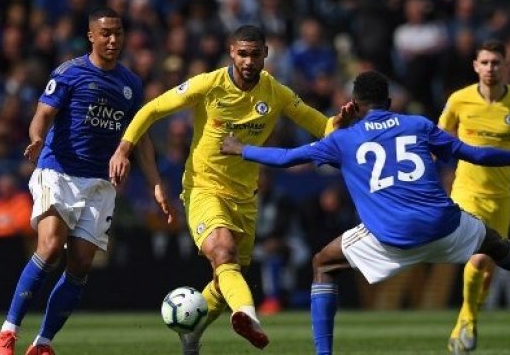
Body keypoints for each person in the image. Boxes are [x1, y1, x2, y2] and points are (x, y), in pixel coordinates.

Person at [220, 70, 510, 355]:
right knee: (492, 241)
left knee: (323, 264)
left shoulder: (343, 139)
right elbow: (474, 153)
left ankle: (323, 354)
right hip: (444, 226)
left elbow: (286, 158)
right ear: (389, 102)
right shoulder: (418, 125)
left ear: (354, 105)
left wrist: (241, 148)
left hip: (392, 237)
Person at [109, 25, 352, 353]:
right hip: (203, 188)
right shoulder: (209, 85)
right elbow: (152, 109)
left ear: (265, 53)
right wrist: (124, 149)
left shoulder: (275, 93)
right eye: (242, 53)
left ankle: (192, 334)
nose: (248, 61)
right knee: (223, 253)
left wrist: (339, 122)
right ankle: (248, 315)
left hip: (245, 198)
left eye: (254, 54)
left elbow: (319, 126)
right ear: (231, 53)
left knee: (227, 277)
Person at [0, 7, 174, 355]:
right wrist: (36, 138)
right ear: (91, 36)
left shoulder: (131, 84)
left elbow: (142, 140)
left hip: (100, 183)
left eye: (118, 33)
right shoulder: (70, 72)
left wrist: (155, 184)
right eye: (105, 33)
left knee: (81, 264)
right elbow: (42, 115)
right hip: (58, 170)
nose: (112, 39)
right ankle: (7, 333)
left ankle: (42, 343)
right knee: (49, 246)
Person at [437, 39, 510, 354]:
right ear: (475, 66)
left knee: (488, 264)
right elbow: (436, 139)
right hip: (466, 192)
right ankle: (467, 320)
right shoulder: (459, 101)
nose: (490, 68)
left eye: (496, 63)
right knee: (477, 256)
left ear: (506, 66)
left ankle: (468, 320)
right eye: (485, 62)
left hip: (501, 197)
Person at [0, 173, 33, 238]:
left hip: (18, 241)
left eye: (5, 186)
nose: (2, 190)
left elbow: (22, 225)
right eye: (0, 187)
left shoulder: (23, 201)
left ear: (13, 187)